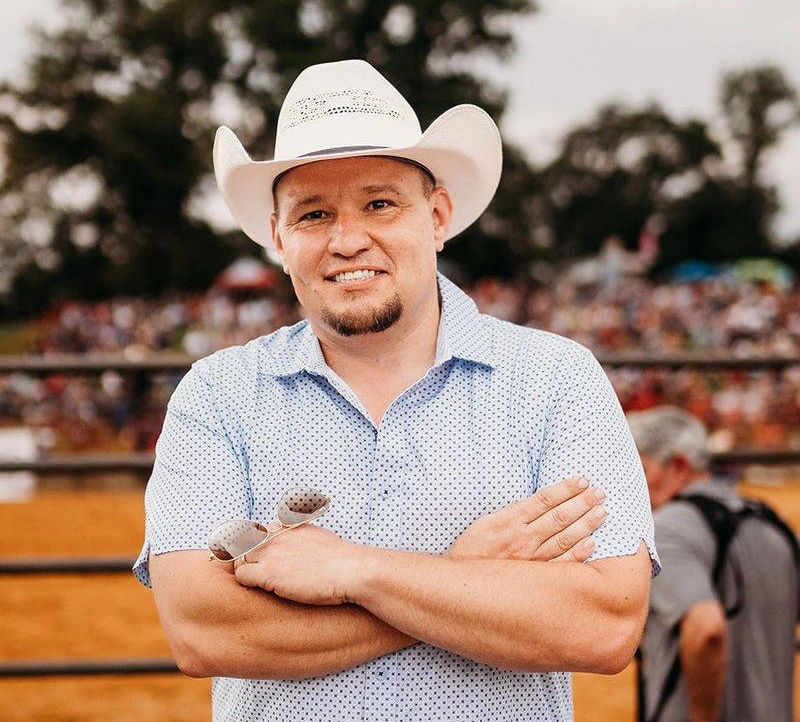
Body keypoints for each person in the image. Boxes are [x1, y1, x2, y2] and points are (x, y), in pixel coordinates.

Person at [134, 59, 659, 722]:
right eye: (313, 214)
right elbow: (202, 631)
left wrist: (353, 572)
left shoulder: (556, 379)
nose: (348, 240)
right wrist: (465, 573)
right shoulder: (217, 394)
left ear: (437, 216)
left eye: (380, 203)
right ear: (278, 239)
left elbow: (603, 624)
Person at [628, 405, 798, 722]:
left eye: (640, 470)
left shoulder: (665, 529)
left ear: (679, 466)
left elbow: (707, 629)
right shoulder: (770, 521)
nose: (629, 487)